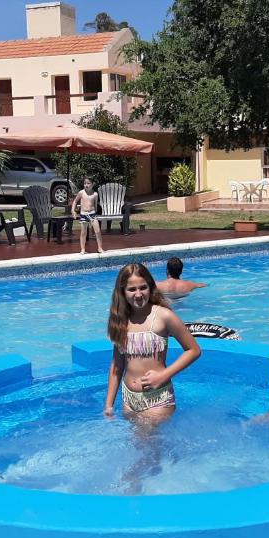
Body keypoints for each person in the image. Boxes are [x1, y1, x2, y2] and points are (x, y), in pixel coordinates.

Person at [104, 263, 202, 421]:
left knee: (149, 444)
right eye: (131, 289)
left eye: (143, 287)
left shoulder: (163, 316)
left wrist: (164, 374)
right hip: (128, 399)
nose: (138, 294)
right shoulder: (121, 320)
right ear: (122, 292)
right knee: (134, 444)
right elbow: (117, 365)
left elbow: (193, 350)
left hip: (157, 399)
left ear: (150, 287)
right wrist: (109, 404)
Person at [71, 177, 105, 255]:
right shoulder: (81, 193)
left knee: (98, 231)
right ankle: (83, 249)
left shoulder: (95, 194)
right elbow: (75, 202)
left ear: (93, 184)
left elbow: (95, 205)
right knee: (83, 233)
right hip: (83, 214)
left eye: (88, 183)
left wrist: (95, 213)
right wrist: (73, 210)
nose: (86, 185)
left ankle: (100, 248)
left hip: (92, 214)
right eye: (85, 183)